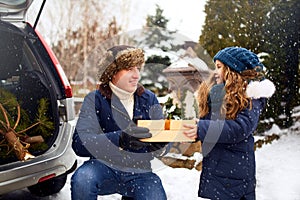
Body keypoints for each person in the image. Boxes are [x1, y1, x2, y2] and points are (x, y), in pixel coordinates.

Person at [71, 45, 168, 200]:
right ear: (112, 72)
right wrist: (120, 139)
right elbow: (79, 143)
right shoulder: (95, 99)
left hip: (139, 171)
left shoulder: (148, 99)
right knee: (83, 179)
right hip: (103, 166)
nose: (136, 75)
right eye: (129, 68)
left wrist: (161, 146)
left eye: (137, 68)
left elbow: (163, 136)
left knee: (154, 196)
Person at [183, 47, 275, 200]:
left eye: (219, 67)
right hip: (216, 168)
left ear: (233, 69)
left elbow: (239, 129)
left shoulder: (251, 96)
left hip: (235, 175)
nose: (215, 71)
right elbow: (212, 126)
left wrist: (202, 128)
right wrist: (196, 128)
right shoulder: (218, 93)